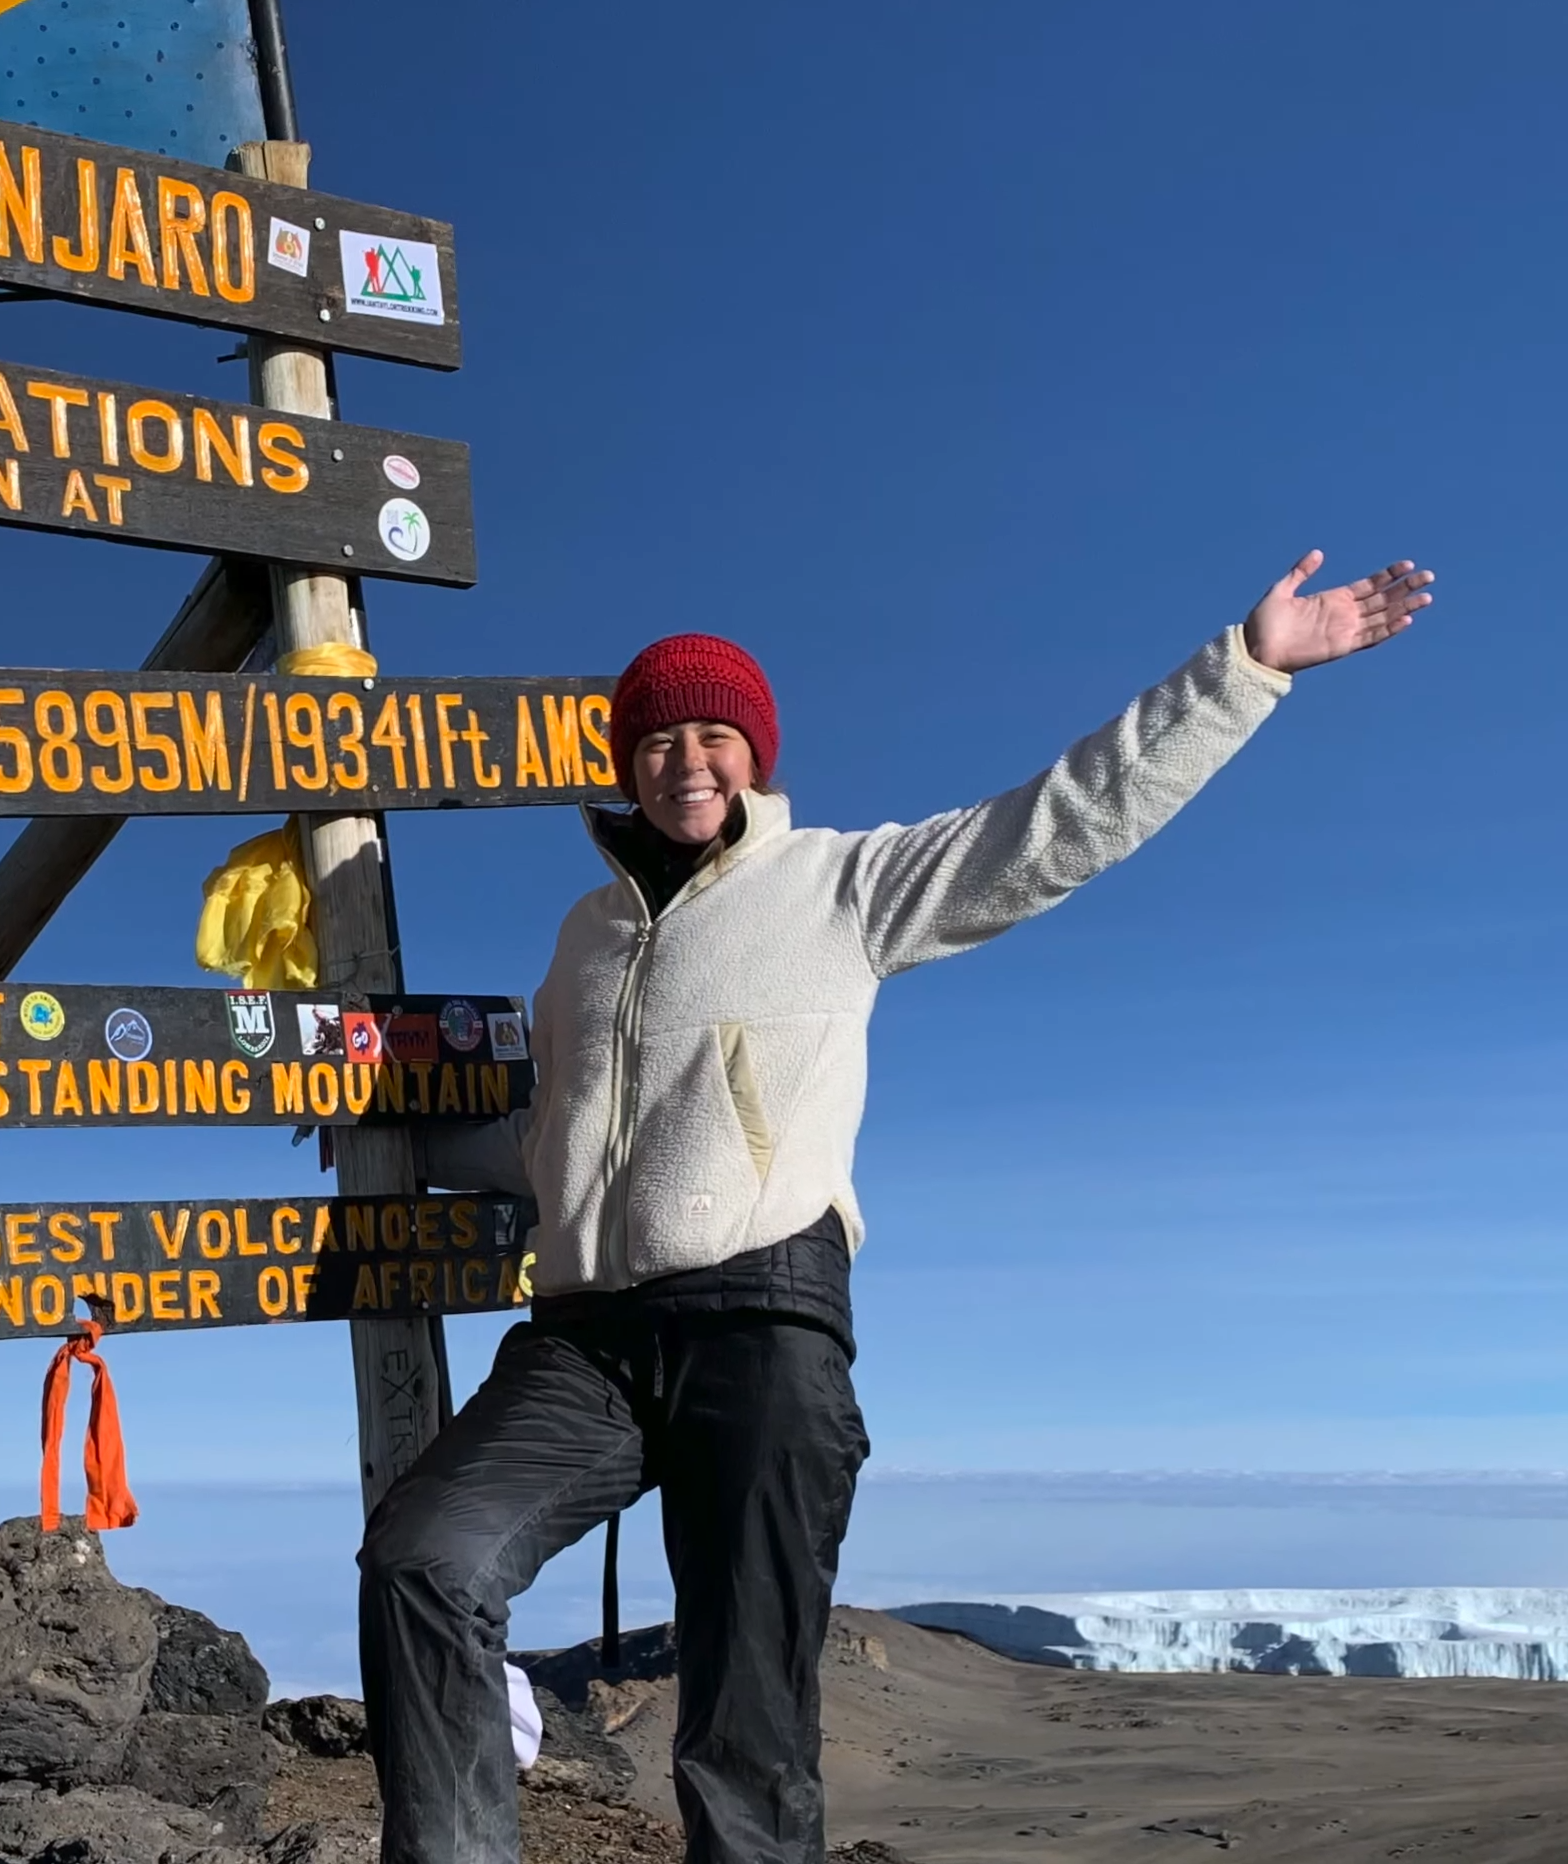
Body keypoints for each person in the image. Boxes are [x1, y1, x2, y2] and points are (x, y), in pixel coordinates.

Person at [362, 552, 1436, 1864]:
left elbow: (1057, 823)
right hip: (584, 1338)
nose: (686, 760)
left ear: (752, 755)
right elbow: (561, 1147)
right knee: (426, 1558)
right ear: (625, 762)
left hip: (762, 1317)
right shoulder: (584, 941)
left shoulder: (842, 884)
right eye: (658, 738)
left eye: (714, 734)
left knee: (743, 1727)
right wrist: (408, 1132)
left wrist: (1247, 669)